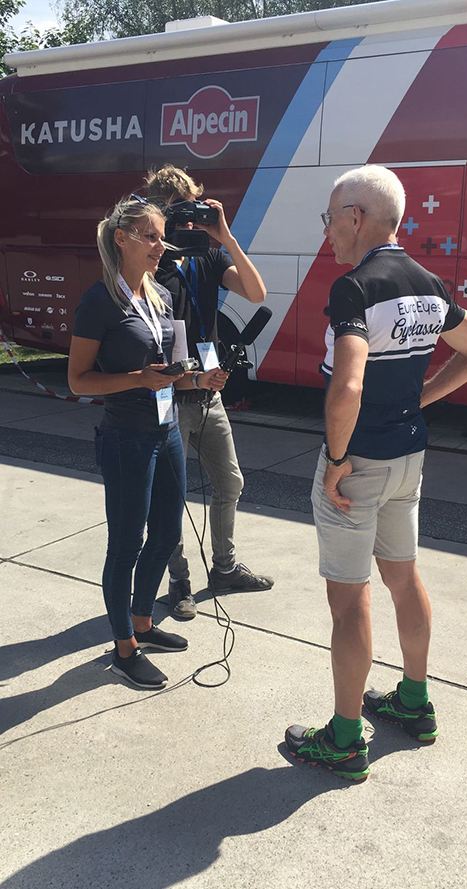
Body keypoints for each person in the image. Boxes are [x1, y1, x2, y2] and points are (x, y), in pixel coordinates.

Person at [285, 165, 467, 780]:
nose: (327, 232)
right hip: (409, 460)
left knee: (349, 600)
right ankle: (413, 701)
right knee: (404, 580)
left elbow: (346, 387)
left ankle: (346, 741)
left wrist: (335, 458)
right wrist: (419, 400)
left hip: (361, 464)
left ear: (356, 216)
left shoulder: (356, 288)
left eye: (330, 219)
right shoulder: (429, 283)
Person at [68, 194, 227, 689]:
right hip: (126, 439)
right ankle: (122, 650)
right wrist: (137, 378)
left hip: (166, 432)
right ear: (122, 239)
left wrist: (198, 381)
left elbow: (167, 374)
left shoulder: (156, 296)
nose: (162, 246)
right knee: (126, 545)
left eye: (162, 236)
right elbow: (78, 381)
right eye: (152, 236)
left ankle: (142, 626)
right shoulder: (100, 300)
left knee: (163, 535)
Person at [145, 165, 274, 620]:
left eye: (191, 210)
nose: (185, 223)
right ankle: (178, 581)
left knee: (230, 483)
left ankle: (224, 569)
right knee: (172, 494)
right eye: (175, 213)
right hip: (169, 393)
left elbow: (257, 292)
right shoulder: (149, 261)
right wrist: (190, 379)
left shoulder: (209, 256)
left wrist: (226, 237)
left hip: (209, 390)